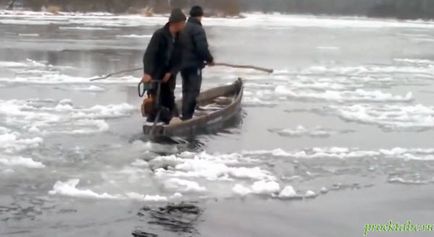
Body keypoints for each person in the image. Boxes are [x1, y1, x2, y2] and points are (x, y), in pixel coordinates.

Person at [142, 8, 186, 124]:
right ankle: (155, 122)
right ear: (175, 23)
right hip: (156, 76)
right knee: (156, 102)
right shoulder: (159, 35)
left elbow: (179, 59)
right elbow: (149, 55)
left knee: (169, 100)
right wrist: (147, 72)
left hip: (169, 77)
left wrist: (171, 72)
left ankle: (172, 120)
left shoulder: (180, 37)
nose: (184, 25)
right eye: (182, 23)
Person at [180, 5, 214, 120]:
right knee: (193, 91)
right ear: (200, 16)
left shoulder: (183, 27)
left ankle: (185, 114)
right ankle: (187, 117)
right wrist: (209, 59)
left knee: (186, 90)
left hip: (182, 65)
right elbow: (202, 48)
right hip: (194, 66)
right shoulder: (198, 29)